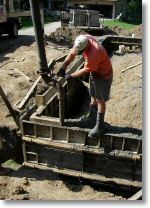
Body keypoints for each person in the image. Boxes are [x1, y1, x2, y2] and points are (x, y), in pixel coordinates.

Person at [60, 35, 113, 138]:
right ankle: (92, 118)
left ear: (85, 47)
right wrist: (63, 67)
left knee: (100, 99)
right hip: (95, 72)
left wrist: (70, 76)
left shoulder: (94, 53)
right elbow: (72, 53)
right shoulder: (84, 39)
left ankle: (100, 125)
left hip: (104, 75)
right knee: (92, 95)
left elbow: (85, 70)